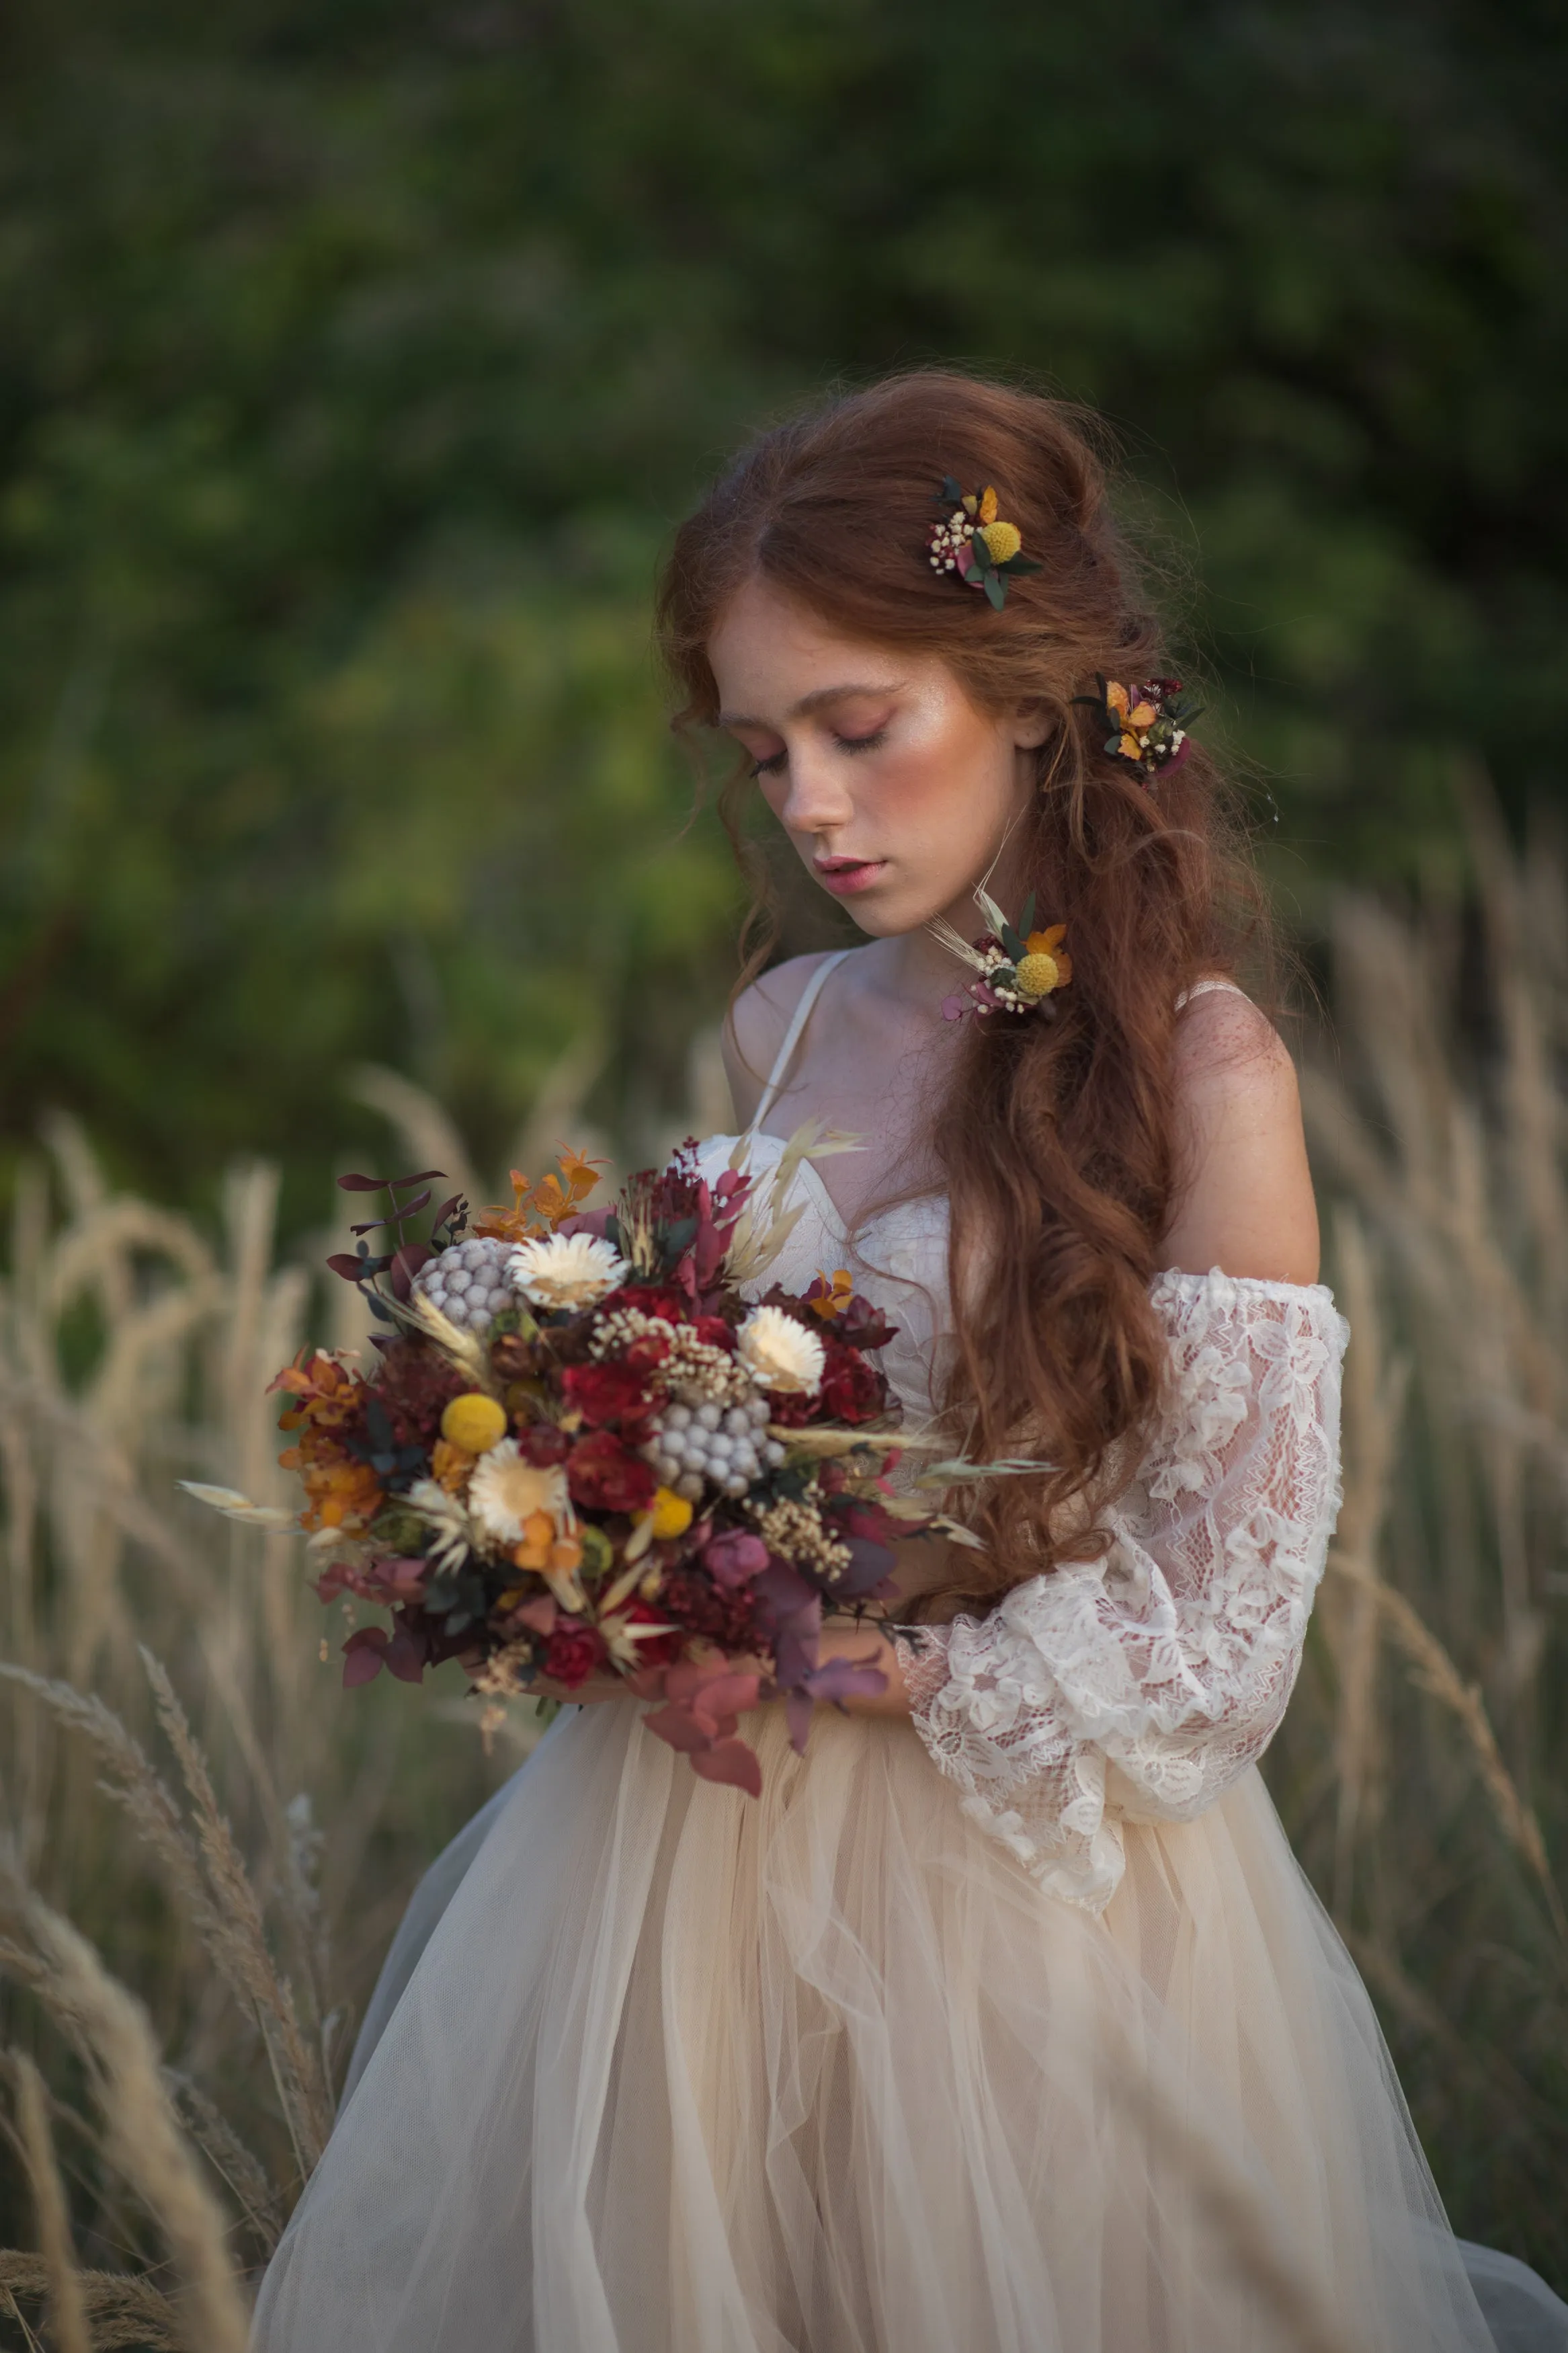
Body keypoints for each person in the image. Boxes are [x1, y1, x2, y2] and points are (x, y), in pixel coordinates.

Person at [252, 374, 1568, 2351]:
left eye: (858, 729)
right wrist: (584, 1544)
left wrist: (890, 1664)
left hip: (1008, 1888)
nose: (805, 803)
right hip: (673, 1859)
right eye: (763, 748)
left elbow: (1225, 1630)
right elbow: (723, 1417)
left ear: (1025, 694)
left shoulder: (1202, 1069)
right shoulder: (776, 1023)